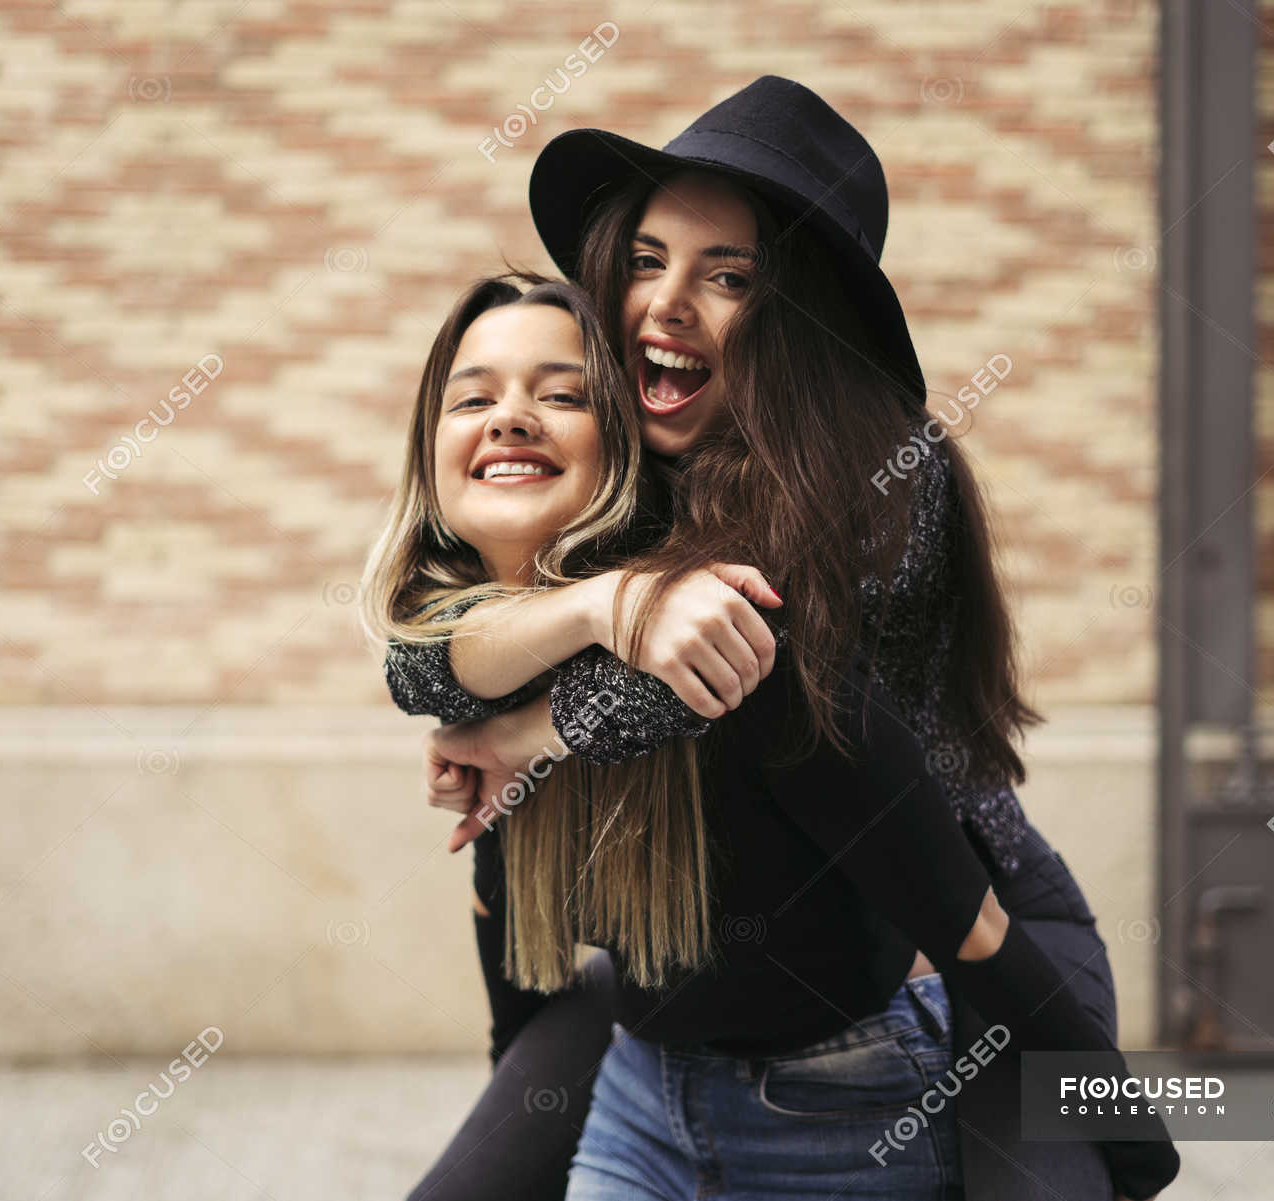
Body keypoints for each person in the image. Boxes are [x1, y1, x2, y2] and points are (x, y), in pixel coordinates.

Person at [366, 266, 1178, 1196]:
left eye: (562, 394)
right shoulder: (474, 651)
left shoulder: (755, 612)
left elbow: (965, 914)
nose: (509, 418)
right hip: (646, 1093)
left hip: (872, 1071)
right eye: (473, 398)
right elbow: (507, 915)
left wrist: (1130, 1139)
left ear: (624, 444)